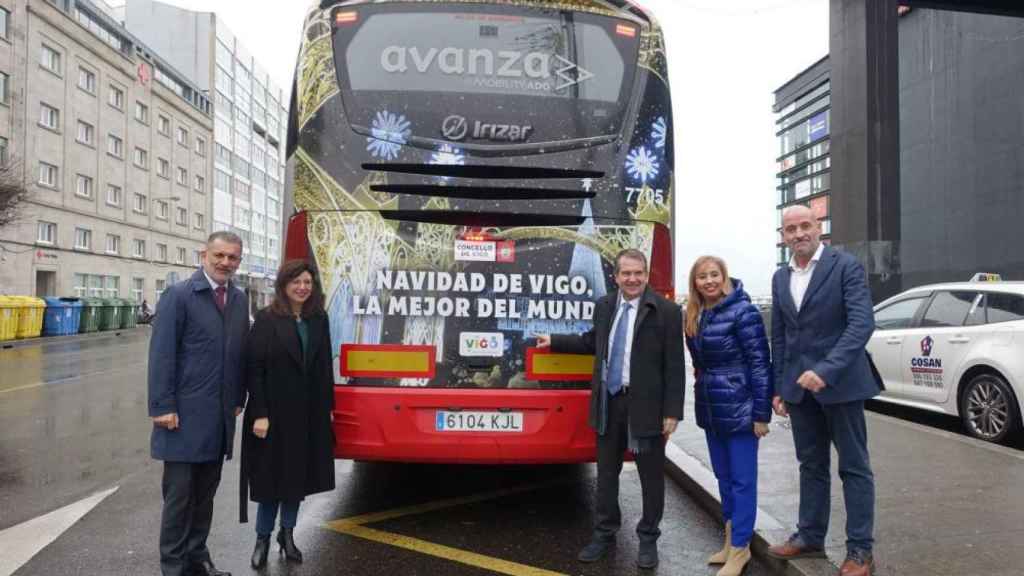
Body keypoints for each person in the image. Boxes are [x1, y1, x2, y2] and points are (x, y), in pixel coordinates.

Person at [537, 248, 684, 570]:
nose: (632, 279)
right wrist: (556, 341)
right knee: (606, 475)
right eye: (625, 273)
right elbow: (593, 342)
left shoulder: (668, 311)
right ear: (616, 277)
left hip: (646, 407)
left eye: (638, 273)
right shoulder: (605, 306)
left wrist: (672, 413)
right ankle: (605, 533)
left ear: (646, 275)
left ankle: (648, 539)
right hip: (609, 403)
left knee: (651, 477)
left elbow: (675, 366)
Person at [766, 205, 879, 576]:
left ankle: (860, 551)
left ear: (818, 228)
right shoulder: (780, 278)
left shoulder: (844, 266)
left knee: (854, 468)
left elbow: (861, 324)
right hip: (800, 391)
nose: (798, 233)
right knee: (811, 466)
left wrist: (826, 370)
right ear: (783, 236)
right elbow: (781, 336)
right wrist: (780, 387)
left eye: (804, 226)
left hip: (843, 385)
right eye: (790, 229)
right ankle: (810, 536)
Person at [148, 232, 249, 576]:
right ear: (203, 254)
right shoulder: (179, 296)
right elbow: (162, 354)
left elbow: (238, 354)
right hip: (182, 418)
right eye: (219, 255)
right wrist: (162, 406)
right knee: (179, 500)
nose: (225, 263)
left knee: (205, 497)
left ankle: (197, 560)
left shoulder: (238, 299)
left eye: (232, 257)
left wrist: (238, 399)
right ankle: (173, 568)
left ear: (239, 261)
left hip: (219, 418)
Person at [241, 260, 336, 569]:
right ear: (284, 284)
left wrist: (328, 411)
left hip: (307, 414)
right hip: (272, 414)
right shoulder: (267, 319)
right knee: (271, 480)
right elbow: (254, 370)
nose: (302, 287)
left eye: (308, 282)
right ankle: (262, 539)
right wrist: (260, 413)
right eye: (296, 281)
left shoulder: (318, 318)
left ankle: (288, 534)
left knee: (296, 479)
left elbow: (323, 369)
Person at [683, 256, 772, 576]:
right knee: (724, 479)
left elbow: (761, 364)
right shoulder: (694, 315)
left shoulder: (744, 312)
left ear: (724, 277)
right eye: (702, 276)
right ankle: (730, 540)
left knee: (742, 481)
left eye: (714, 275)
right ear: (694, 283)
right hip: (711, 408)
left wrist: (761, 414)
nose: (708, 281)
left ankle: (741, 549)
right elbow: (698, 363)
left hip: (741, 408)